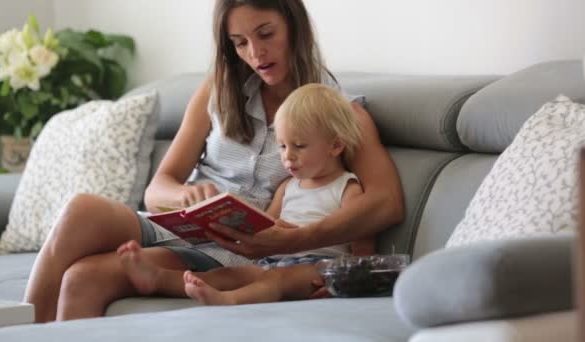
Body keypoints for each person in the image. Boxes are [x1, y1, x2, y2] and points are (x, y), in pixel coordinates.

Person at [24, 0, 404, 322]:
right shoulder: (217, 92)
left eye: (266, 34)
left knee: (83, 278)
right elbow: (160, 188)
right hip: (183, 225)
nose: (255, 53)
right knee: (80, 210)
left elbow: (386, 203)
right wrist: (187, 197)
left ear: (295, 26)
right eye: (239, 43)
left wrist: (294, 240)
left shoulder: (340, 113)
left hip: (237, 253)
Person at [117, 84, 375, 304]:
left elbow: (363, 244)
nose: (287, 156)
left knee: (277, 279)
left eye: (299, 146)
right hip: (273, 262)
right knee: (230, 274)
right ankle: (157, 278)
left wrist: (346, 283)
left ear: (336, 145)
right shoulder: (288, 186)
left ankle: (230, 300)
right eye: (282, 146)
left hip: (319, 267)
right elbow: (267, 228)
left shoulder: (347, 187)